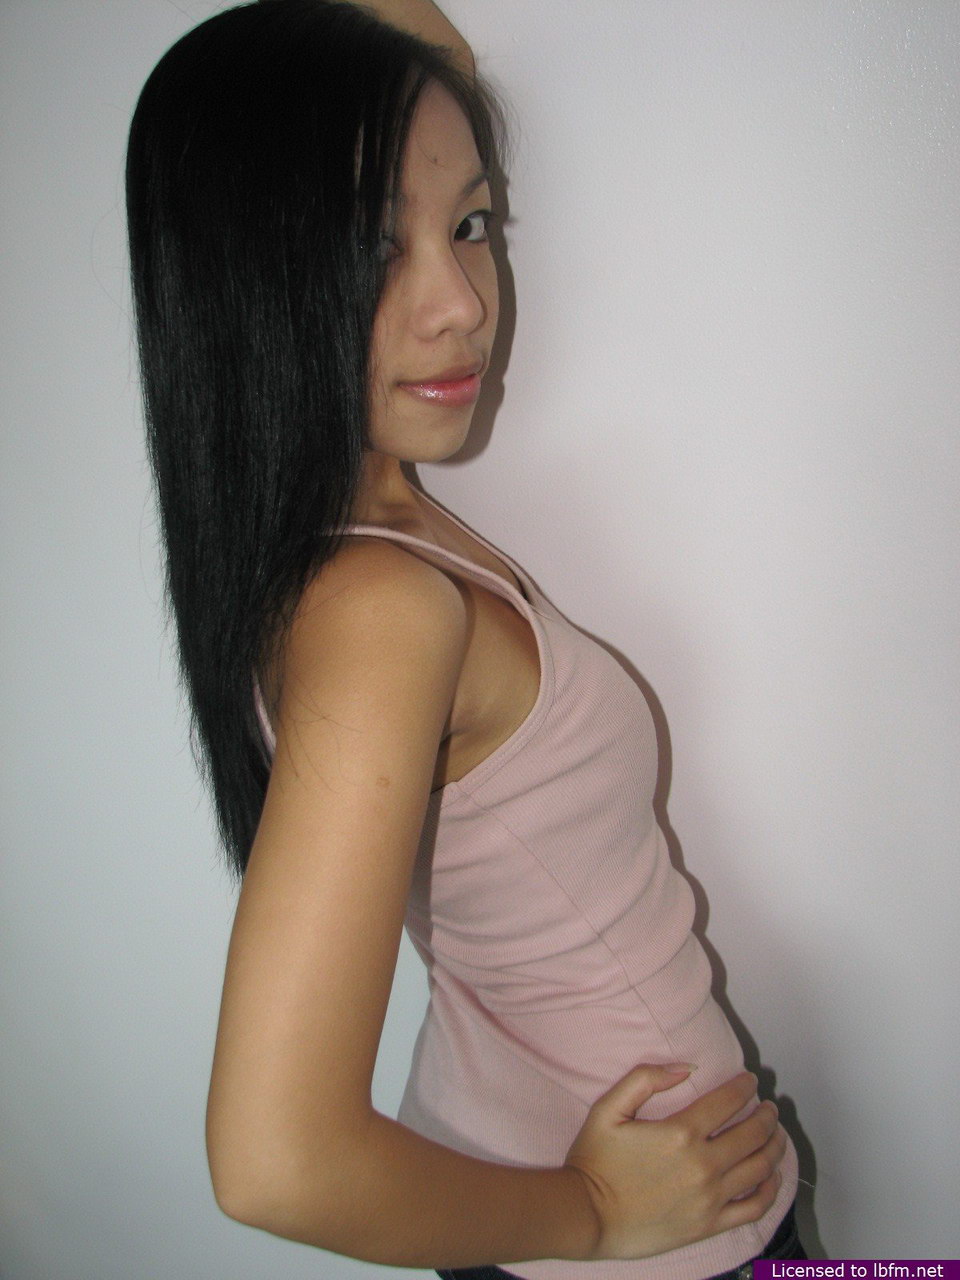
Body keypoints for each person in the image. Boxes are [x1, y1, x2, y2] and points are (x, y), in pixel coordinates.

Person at [126, 2, 803, 1276]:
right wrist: (596, 1212)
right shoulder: (377, 609)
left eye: (472, 226)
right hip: (644, 1244)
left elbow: (421, 48)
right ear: (246, 273)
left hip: (559, 1169)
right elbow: (273, 1158)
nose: (462, 304)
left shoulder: (354, 542)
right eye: (372, 244)